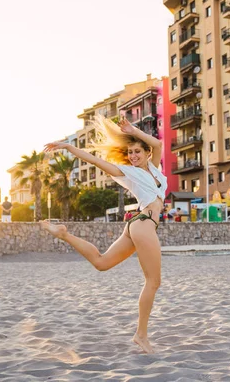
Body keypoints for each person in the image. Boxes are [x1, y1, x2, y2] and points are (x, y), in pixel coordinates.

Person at [41, 115, 166, 354]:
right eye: (130, 152)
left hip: (136, 225)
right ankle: (141, 335)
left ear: (147, 153)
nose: (133, 156)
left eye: (138, 151)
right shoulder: (128, 172)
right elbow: (96, 161)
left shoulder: (155, 171)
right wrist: (69, 147)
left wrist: (133, 130)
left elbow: (158, 144)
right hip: (145, 223)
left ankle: (65, 234)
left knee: (101, 262)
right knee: (153, 282)